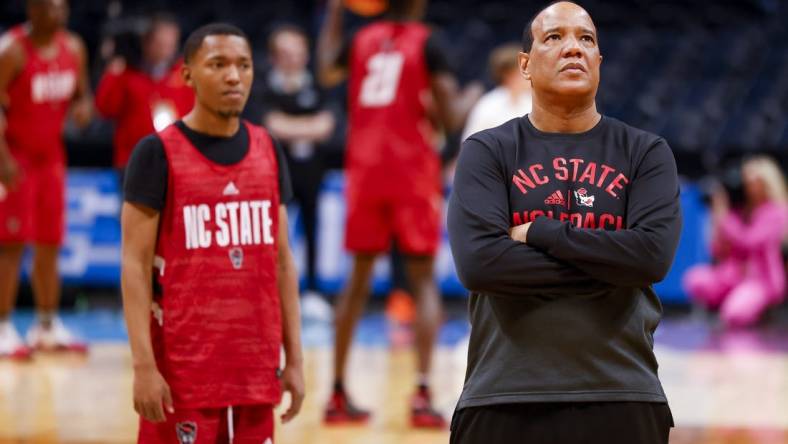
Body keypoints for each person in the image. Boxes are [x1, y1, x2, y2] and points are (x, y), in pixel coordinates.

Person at [447, 2, 681, 443]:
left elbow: (650, 258)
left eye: (586, 39)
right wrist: (611, 264)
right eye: (554, 37)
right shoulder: (488, 151)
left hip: (622, 393)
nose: (573, 48)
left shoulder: (645, 152)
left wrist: (540, 233)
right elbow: (480, 265)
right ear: (525, 65)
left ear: (598, 62)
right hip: (502, 395)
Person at [121, 23, 304, 443]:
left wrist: (294, 358)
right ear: (187, 74)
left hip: (255, 368)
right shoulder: (157, 153)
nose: (234, 76)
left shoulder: (268, 149)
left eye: (243, 65)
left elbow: (281, 262)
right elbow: (134, 266)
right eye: (217, 64)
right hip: (183, 372)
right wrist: (143, 367)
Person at [317, 0, 482, 428]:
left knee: (356, 281)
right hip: (410, 170)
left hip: (365, 168)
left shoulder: (361, 38)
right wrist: (469, 97)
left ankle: (335, 391)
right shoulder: (429, 43)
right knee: (423, 279)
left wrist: (335, 12)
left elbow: (325, 71)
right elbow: (450, 119)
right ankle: (423, 394)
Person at [0, 0, 92, 359]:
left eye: (62, 7)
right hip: (15, 157)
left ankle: (47, 325)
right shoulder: (11, 50)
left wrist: (83, 109)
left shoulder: (75, 48)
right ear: (32, 9)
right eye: (49, 7)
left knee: (50, 240)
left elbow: (82, 95)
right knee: (9, 242)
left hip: (51, 156)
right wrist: (3, 158)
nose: (57, 14)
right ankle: (4, 326)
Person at [259, 24, 335, 313]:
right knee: (275, 233)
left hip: (312, 172)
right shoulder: (265, 86)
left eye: (298, 53)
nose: (293, 60)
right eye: (286, 54)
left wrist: (290, 127)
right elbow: (269, 124)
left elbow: (327, 125)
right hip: (276, 174)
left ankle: (313, 291)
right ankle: (271, 290)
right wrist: (307, 127)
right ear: (275, 57)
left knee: (313, 228)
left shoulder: (316, 85)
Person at [684, 156, 788, 327]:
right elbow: (717, 250)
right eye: (746, 181)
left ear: (766, 182)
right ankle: (730, 300)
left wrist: (724, 217)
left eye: (754, 181)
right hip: (732, 275)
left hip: (761, 279)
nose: (749, 186)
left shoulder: (777, 211)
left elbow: (751, 241)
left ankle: (750, 308)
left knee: (735, 314)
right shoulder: (738, 210)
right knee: (695, 279)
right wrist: (717, 217)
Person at [95, 13, 194, 171]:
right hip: (133, 161)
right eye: (161, 44)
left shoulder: (184, 73)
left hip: (176, 161)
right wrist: (113, 74)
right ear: (146, 43)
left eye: (171, 45)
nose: (167, 51)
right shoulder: (126, 74)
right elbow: (105, 109)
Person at [461, 42, 532, 141]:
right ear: (509, 74)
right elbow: (470, 143)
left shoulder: (533, 102)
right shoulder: (488, 105)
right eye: (524, 69)